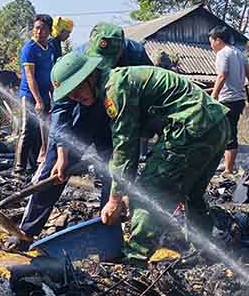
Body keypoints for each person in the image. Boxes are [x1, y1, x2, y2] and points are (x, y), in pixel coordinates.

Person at [52, 52, 229, 261]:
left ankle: (136, 256)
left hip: (190, 128)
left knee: (147, 190)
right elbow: (135, 141)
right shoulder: (119, 80)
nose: (74, 97)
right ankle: (204, 248)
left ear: (90, 76)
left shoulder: (114, 89)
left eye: (76, 89)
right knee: (191, 193)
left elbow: (125, 148)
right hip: (216, 125)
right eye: (69, 95)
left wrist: (115, 199)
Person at [17, 22, 151, 243]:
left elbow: (147, 94)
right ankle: (26, 231)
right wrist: (62, 155)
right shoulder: (73, 61)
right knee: (54, 168)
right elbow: (60, 110)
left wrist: (143, 129)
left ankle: (109, 237)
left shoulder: (136, 54)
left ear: (121, 49)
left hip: (119, 117)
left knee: (115, 170)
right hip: (83, 109)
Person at [209, 26, 249, 175]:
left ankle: (229, 169)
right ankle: (228, 164)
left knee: (228, 134)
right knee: (228, 131)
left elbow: (222, 75)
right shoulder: (239, 53)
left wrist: (213, 96)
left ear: (218, 40)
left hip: (227, 99)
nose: (211, 45)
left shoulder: (223, 53)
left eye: (211, 42)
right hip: (238, 99)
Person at [15, 14, 55, 174]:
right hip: (30, 95)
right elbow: (30, 77)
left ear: (49, 31)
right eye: (36, 28)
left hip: (44, 94)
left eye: (43, 29)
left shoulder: (49, 48)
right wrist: (38, 100)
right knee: (27, 129)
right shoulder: (29, 48)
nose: (39, 31)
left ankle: (32, 167)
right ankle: (19, 168)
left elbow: (50, 74)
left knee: (40, 131)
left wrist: (52, 95)